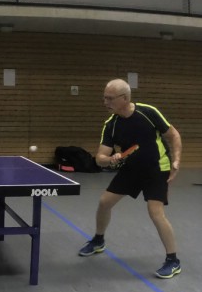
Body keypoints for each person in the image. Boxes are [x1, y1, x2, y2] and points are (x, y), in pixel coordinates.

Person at [78, 78, 182, 279]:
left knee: (155, 212)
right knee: (104, 202)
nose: (105, 102)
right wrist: (110, 159)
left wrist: (176, 161)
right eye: (104, 98)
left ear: (124, 98)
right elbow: (99, 159)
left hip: (156, 168)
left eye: (110, 98)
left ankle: (173, 261)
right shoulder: (111, 124)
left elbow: (174, 135)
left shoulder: (148, 112)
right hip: (131, 169)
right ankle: (98, 240)